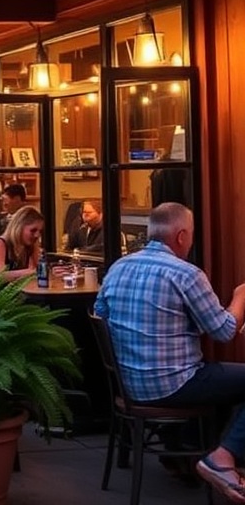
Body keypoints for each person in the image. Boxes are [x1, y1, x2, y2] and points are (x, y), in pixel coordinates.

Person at [94, 203, 245, 502]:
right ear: (181, 236)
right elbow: (225, 331)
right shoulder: (187, 274)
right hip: (172, 385)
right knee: (225, 377)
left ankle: (184, 455)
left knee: (225, 381)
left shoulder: (118, 267)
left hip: (129, 384)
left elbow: (101, 315)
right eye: (191, 237)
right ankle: (222, 458)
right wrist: (241, 296)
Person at [0, 205, 43, 285]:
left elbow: (36, 271)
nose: (37, 235)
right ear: (19, 227)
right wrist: (32, 272)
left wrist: (50, 272)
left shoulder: (29, 247)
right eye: (33, 230)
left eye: (40, 231)